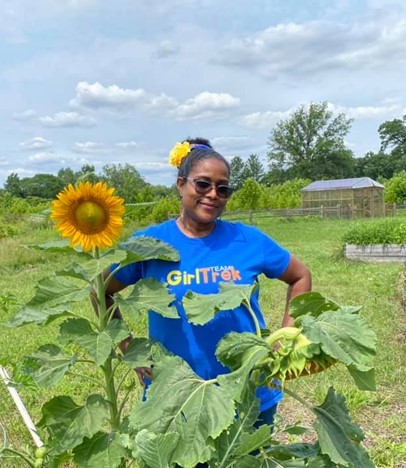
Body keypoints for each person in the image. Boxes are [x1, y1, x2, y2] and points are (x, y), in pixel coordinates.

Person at [99, 137, 312, 428]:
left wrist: (286, 339)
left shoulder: (248, 240)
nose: (213, 194)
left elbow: (300, 276)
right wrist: (130, 351)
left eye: (223, 189)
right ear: (180, 184)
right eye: (203, 184)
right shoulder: (149, 243)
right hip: (175, 398)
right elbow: (101, 293)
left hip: (248, 392)